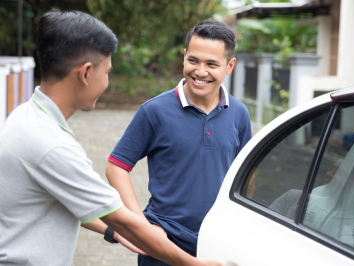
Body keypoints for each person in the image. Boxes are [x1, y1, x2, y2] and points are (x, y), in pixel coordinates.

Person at [0, 9, 222, 266]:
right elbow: (122, 218)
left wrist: (111, 231)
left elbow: (71, 196)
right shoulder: (52, 145)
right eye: (106, 71)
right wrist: (193, 263)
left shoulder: (25, 117)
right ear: (85, 73)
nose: (107, 81)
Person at [106, 20, 252, 265]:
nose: (200, 71)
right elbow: (116, 166)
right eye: (193, 60)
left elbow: (247, 174)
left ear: (230, 66)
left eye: (212, 64)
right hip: (163, 243)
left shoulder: (239, 113)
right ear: (184, 57)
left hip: (217, 242)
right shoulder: (154, 111)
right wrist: (142, 227)